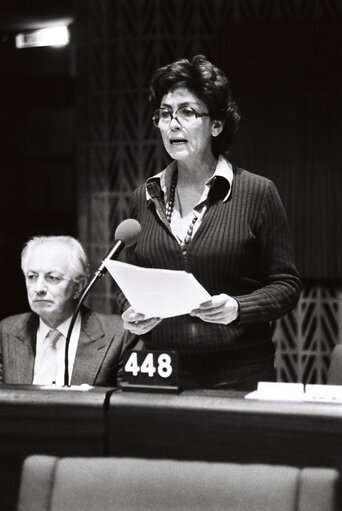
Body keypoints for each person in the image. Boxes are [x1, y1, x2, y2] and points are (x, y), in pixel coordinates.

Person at [118, 55, 302, 390]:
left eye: (187, 112)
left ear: (216, 125)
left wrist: (237, 307)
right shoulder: (143, 196)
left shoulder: (257, 193)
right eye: (164, 113)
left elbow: (286, 287)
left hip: (238, 373)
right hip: (162, 369)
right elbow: (129, 284)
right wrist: (133, 310)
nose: (173, 124)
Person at [0, 235, 129, 386]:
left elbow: (127, 405)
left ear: (78, 287)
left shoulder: (118, 334)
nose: (39, 288)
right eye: (32, 276)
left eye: (52, 277)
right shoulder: (7, 331)